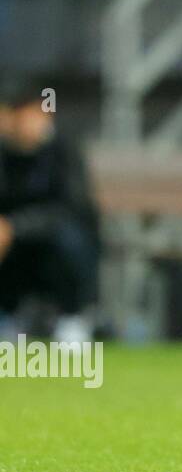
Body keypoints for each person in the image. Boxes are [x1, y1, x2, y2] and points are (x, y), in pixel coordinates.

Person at [0, 79, 99, 342]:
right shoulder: (5, 154)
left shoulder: (64, 150)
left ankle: (72, 318)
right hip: (14, 249)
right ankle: (8, 316)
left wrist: (15, 228)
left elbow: (70, 208)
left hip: (60, 246)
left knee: (67, 241)